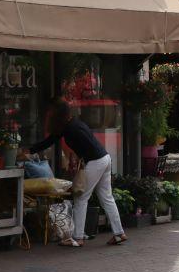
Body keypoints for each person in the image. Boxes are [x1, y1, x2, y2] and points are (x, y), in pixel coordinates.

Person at [28, 98, 126, 247]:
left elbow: (49, 141)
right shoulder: (74, 124)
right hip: (104, 158)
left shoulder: (69, 129)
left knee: (81, 198)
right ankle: (119, 233)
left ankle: (78, 237)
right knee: (107, 197)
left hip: (95, 161)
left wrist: (28, 151)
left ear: (57, 115)